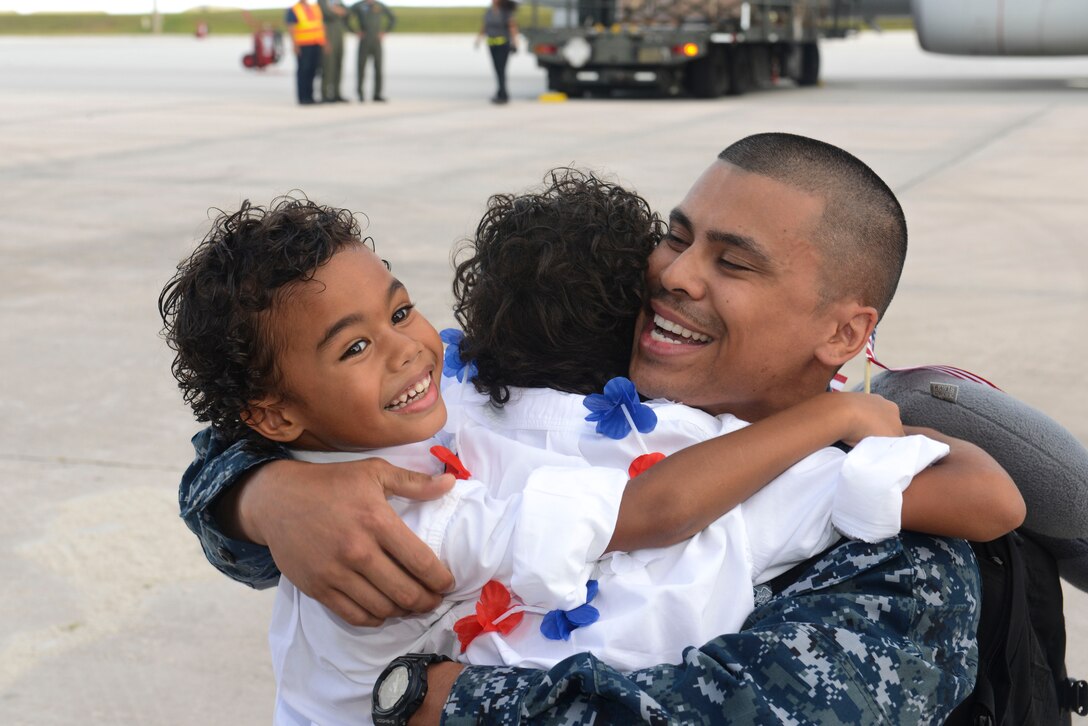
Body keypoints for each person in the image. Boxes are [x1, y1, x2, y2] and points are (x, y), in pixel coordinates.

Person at [178, 135, 995, 722]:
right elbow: (277, 420)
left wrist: (440, 701)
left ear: (845, 337)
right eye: (676, 237)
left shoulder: (897, 557)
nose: (674, 274)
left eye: (733, 262)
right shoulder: (536, 373)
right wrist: (264, 496)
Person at [349, 0, 395, 102]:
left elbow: (392, 18)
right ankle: (360, 94)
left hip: (376, 40)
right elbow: (346, 17)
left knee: (378, 67)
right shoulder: (359, 6)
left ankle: (377, 94)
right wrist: (354, 31)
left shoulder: (379, 5)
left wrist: (385, 31)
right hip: (364, 40)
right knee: (361, 67)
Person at [285, 0, 326, 105]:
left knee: (313, 71)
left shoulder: (314, 8)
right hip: (303, 45)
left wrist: (324, 42)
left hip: (316, 43)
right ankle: (303, 98)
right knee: (304, 71)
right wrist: (294, 44)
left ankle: (310, 97)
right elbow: (291, 27)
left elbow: (320, 25)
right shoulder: (294, 9)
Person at [477, 0, 518, 104]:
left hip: (503, 45)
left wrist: (515, 43)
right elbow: (485, 26)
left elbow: (512, 27)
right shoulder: (489, 11)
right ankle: (500, 92)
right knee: (496, 69)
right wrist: (478, 39)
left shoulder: (505, 12)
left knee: (501, 70)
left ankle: (503, 94)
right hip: (492, 45)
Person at [318, 0, 349, 102]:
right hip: (329, 35)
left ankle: (337, 93)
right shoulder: (322, 1)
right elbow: (328, 13)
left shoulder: (337, 1)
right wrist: (337, 11)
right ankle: (325, 94)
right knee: (328, 66)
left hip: (339, 35)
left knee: (338, 65)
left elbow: (347, 12)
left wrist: (336, 10)